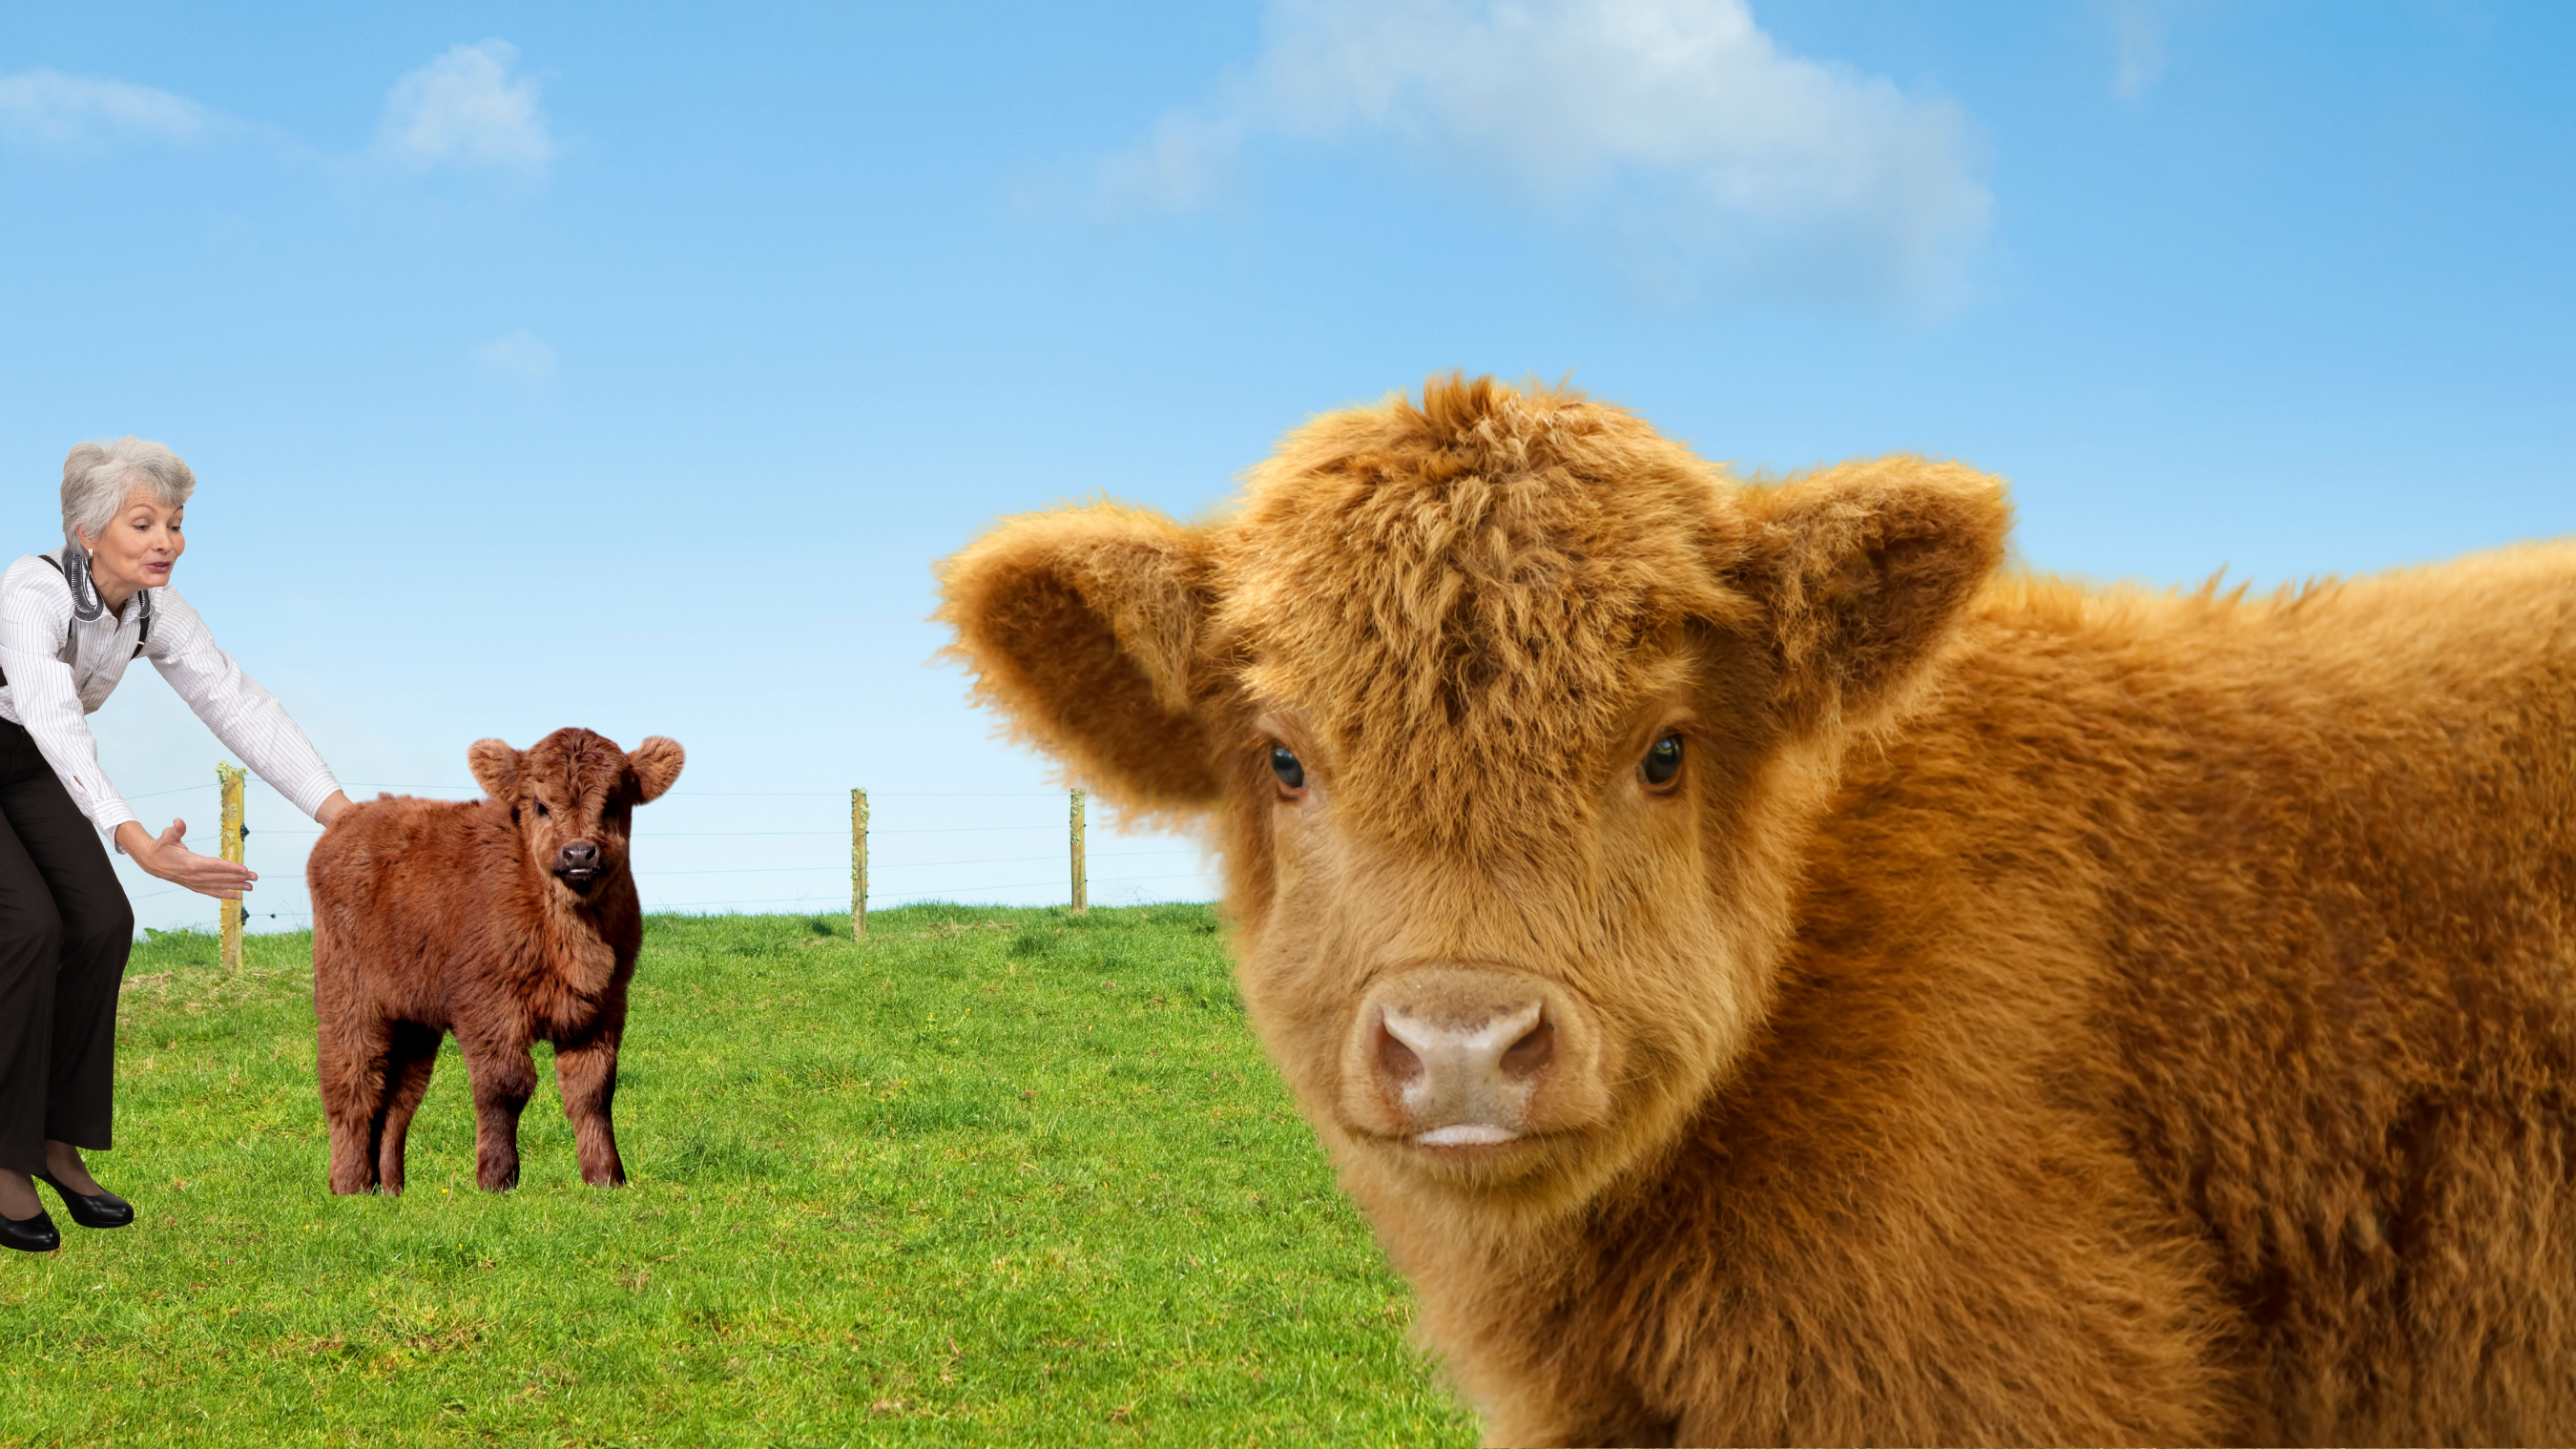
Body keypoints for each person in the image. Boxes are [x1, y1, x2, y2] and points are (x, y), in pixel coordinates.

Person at [0, 438, 354, 1252]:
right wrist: (133, 838)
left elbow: (237, 703)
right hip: (28, 743)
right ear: (90, 531)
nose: (167, 540)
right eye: (144, 522)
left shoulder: (154, 608)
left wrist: (341, 814)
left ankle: (58, 1144)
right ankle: (3, 1158)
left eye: (176, 522)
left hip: (30, 763)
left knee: (100, 924)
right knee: (25, 928)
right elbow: (53, 716)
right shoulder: (32, 589)